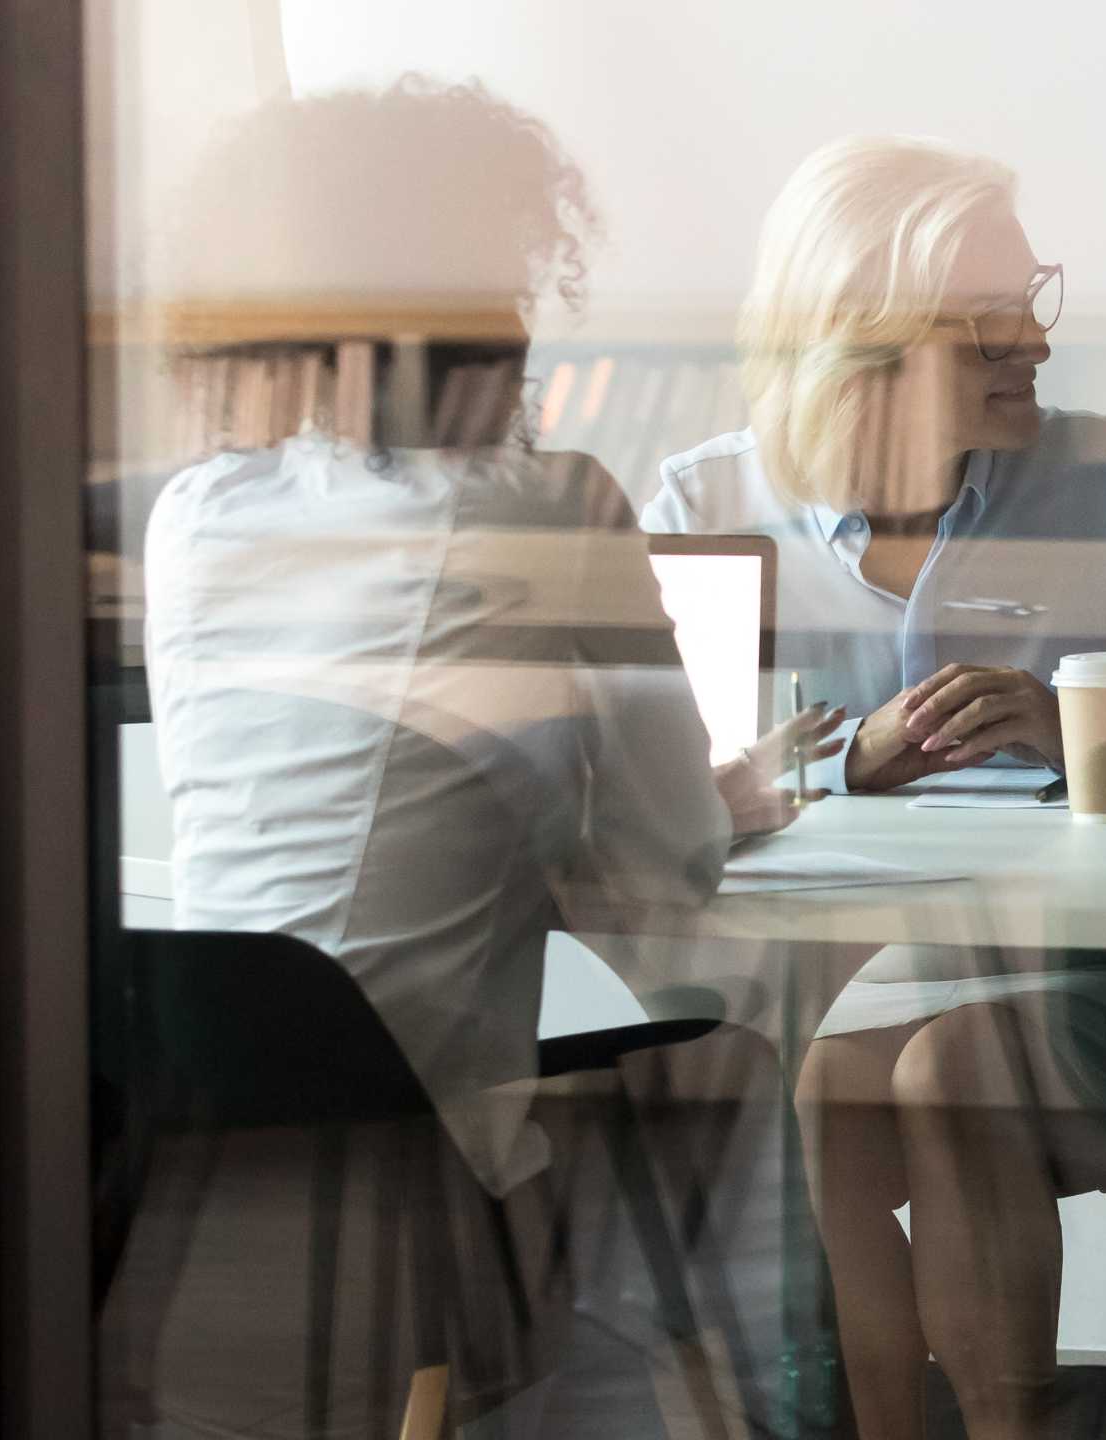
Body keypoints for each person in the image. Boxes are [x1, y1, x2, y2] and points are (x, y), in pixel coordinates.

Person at [133, 80, 822, 1436]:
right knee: (727, 1063)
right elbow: (663, 859)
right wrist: (722, 804)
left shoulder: (194, 515)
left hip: (200, 1134)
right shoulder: (551, 502)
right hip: (410, 1153)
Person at [645, 135, 1106, 1440]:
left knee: (944, 1069)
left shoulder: (1093, 476)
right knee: (832, 1086)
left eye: (1035, 301)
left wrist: (1084, 735)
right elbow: (666, 789)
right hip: (869, 967)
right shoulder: (708, 500)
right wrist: (846, 761)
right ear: (865, 344)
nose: (1036, 344)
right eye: (989, 327)